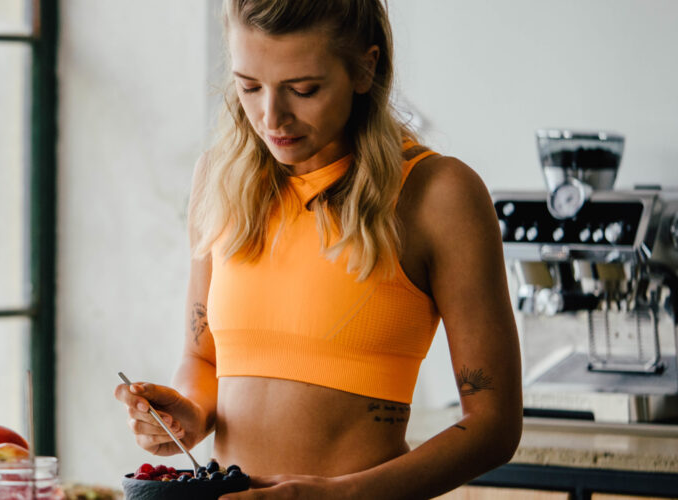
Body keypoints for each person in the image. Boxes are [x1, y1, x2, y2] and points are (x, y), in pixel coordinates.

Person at [113, 1, 522, 498]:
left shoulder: (438, 194)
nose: (272, 117)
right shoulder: (218, 179)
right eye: (249, 86)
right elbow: (203, 358)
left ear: (365, 68)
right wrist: (188, 415)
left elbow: (494, 425)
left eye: (303, 89)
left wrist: (340, 496)